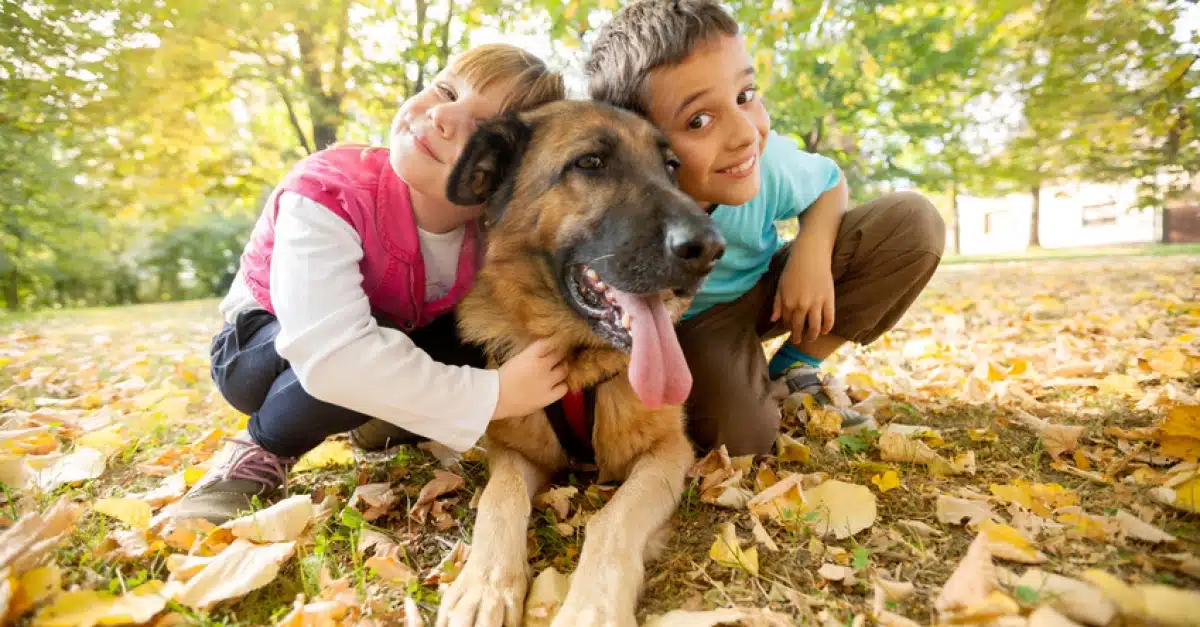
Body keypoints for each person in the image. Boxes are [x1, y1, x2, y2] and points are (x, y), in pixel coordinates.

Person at [176, 44, 568, 524]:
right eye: (445, 89)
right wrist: (495, 394)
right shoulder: (328, 190)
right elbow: (335, 356)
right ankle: (258, 451)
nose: (443, 114)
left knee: (469, 332)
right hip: (259, 349)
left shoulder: (486, 236)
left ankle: (381, 416)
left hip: (382, 334)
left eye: (486, 131)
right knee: (356, 353)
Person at [584, 0, 946, 456]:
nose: (744, 133)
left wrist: (811, 256)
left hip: (766, 291)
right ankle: (744, 381)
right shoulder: (619, 204)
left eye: (745, 95)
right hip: (694, 326)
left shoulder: (762, 163)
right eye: (699, 120)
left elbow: (830, 182)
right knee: (741, 440)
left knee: (912, 223)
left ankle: (795, 368)